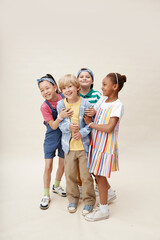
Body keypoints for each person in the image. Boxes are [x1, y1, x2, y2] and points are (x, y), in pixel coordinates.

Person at [83, 73, 126, 221]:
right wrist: (90, 112)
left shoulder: (117, 105)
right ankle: (109, 193)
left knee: (100, 175)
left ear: (115, 87)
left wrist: (90, 124)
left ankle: (103, 210)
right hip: (96, 144)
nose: (101, 87)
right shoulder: (102, 100)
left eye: (104, 84)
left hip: (106, 146)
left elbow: (109, 128)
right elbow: (93, 112)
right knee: (95, 172)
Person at [57, 74, 96, 216]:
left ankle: (89, 201)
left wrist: (81, 132)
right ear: (61, 91)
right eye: (64, 88)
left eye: (70, 86)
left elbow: (90, 125)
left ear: (77, 87)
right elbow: (61, 124)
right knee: (70, 175)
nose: (67, 90)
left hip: (83, 147)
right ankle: (72, 199)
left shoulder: (85, 104)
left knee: (86, 176)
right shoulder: (61, 104)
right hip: (68, 147)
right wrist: (69, 127)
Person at [77, 68, 116, 203]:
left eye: (87, 77)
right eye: (81, 77)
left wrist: (94, 112)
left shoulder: (98, 96)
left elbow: (102, 111)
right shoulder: (75, 94)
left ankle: (105, 189)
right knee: (83, 163)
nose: (84, 79)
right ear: (77, 80)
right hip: (79, 133)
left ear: (92, 80)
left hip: (93, 133)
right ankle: (83, 187)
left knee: (93, 164)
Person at [37, 74, 73, 210]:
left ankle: (56, 186)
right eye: (42, 90)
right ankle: (46, 194)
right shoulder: (44, 107)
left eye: (47, 88)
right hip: (51, 137)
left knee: (63, 164)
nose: (45, 92)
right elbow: (52, 125)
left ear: (55, 87)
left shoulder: (64, 98)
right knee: (48, 166)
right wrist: (60, 116)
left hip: (65, 135)